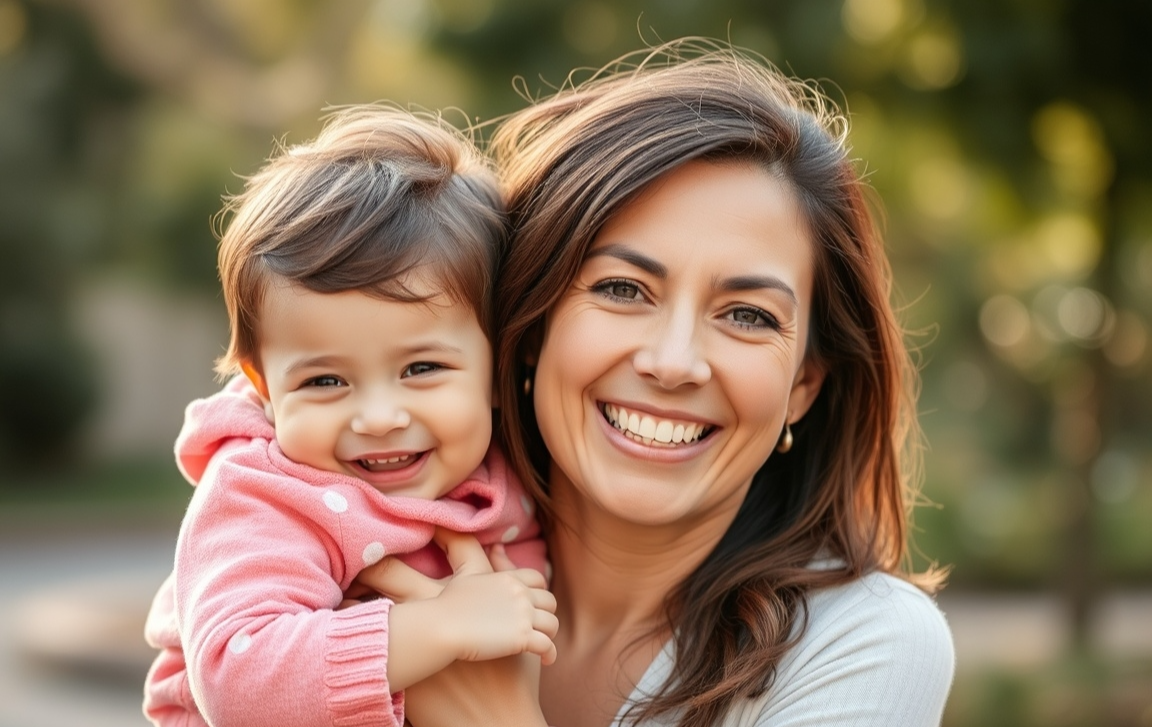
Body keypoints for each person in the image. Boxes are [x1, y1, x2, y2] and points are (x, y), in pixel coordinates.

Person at [355, 40, 955, 727]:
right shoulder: (356, 566)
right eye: (622, 288)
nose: (673, 362)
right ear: (529, 326)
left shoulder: (861, 643)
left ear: (804, 385)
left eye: (747, 315)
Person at [141, 105, 558, 727]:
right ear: (264, 388)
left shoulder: (513, 460)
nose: (381, 416)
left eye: (422, 369)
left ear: (498, 366)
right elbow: (235, 676)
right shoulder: (266, 494)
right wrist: (439, 625)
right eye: (326, 380)